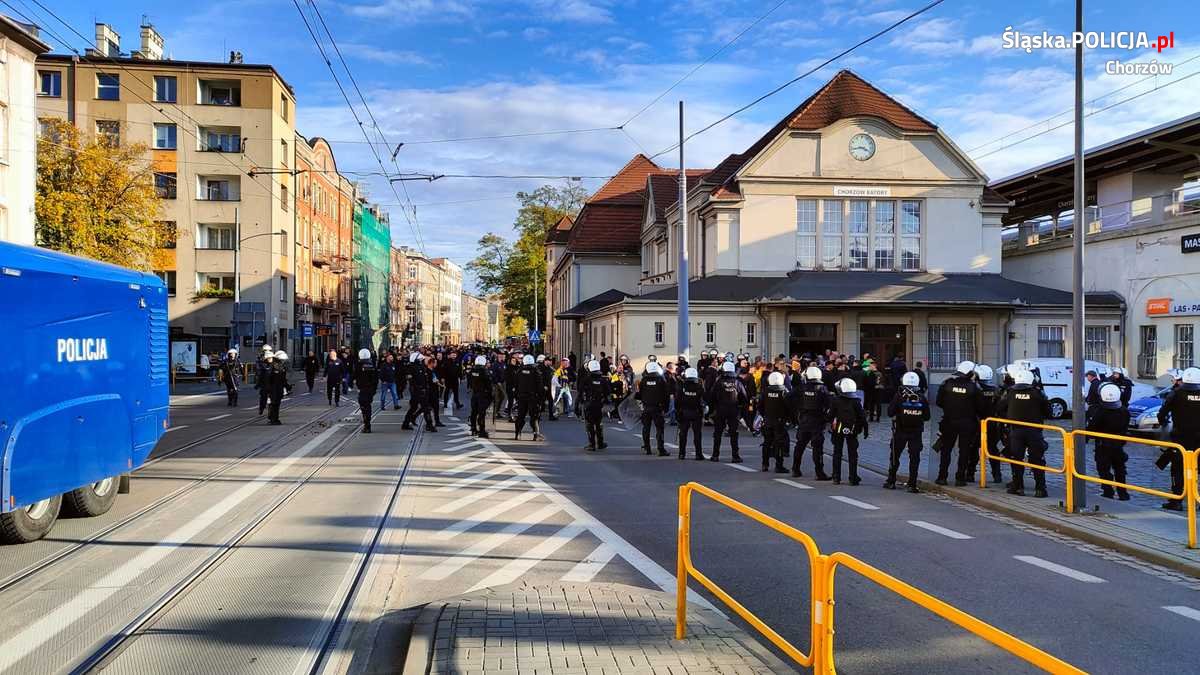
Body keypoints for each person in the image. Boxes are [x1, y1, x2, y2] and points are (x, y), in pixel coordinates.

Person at [1001, 368, 1051, 498]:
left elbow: (1000, 408)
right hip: (1034, 430)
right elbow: (1048, 411)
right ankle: (1040, 489)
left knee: (1017, 459)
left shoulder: (1010, 392)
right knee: (1037, 460)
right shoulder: (1037, 393)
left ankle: (1018, 487)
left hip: (1016, 430)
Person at [1157, 367, 1200, 511]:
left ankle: (1177, 500)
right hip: (1199, 439)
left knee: (1177, 469)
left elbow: (1162, 413)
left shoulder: (1175, 393)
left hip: (1181, 438)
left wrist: (1163, 422)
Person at [935, 360, 982, 487]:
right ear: (970, 373)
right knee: (964, 451)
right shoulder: (974, 387)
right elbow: (980, 407)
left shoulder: (947, 383)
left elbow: (938, 402)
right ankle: (960, 478)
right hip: (967, 422)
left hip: (949, 421)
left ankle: (942, 477)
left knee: (946, 450)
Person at [885, 372, 929, 492]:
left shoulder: (899, 396)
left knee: (895, 456)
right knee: (915, 458)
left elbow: (890, 412)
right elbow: (927, 417)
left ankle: (891, 481)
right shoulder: (921, 397)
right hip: (916, 432)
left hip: (900, 430)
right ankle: (912, 484)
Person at [1087, 382, 1130, 500]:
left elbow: (1092, 426)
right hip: (1118, 444)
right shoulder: (1124, 411)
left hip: (1103, 445)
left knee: (1103, 468)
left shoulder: (1100, 411)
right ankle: (1123, 493)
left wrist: (1085, 437)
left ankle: (1108, 490)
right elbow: (1126, 427)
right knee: (1120, 469)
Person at [792, 366, 831, 480]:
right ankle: (819, 473)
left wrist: (797, 409)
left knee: (800, 445)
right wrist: (827, 418)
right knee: (817, 448)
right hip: (818, 422)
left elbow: (788, 397)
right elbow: (829, 405)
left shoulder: (801, 388)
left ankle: (795, 469)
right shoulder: (822, 388)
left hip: (804, 420)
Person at [707, 361, 747, 463]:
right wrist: (740, 407)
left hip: (721, 409)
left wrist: (713, 409)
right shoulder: (737, 382)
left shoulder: (719, 382)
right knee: (734, 433)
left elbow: (711, 396)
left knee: (718, 433)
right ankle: (735, 456)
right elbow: (744, 396)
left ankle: (715, 455)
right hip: (733, 409)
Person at [830, 378, 867, 485]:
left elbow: (830, 415)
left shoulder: (836, 400)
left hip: (838, 429)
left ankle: (836, 477)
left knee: (837, 452)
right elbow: (862, 416)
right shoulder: (856, 401)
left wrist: (828, 425)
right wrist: (865, 429)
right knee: (853, 454)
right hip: (852, 429)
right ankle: (853, 477)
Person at [972, 365, 1005, 484]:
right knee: (992, 450)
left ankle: (970, 474)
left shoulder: (976, 389)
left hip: (977, 423)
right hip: (993, 423)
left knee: (973, 449)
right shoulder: (996, 389)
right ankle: (997, 475)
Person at [758, 370, 791, 473]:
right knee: (779, 443)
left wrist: (765, 415)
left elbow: (760, 406)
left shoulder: (765, 391)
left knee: (767, 442)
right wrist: (788, 419)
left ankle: (764, 464)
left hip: (768, 420)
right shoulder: (784, 391)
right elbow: (789, 407)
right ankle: (779, 465)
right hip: (780, 421)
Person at [637, 362, 669, 456]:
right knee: (659, 428)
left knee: (646, 428)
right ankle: (661, 449)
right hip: (657, 408)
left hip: (646, 408)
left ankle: (647, 448)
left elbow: (639, 394)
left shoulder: (644, 380)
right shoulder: (661, 380)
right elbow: (666, 395)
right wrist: (665, 408)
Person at [676, 367, 706, 460]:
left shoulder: (682, 386)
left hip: (684, 412)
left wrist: (678, 411)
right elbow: (703, 399)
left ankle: (681, 454)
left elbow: (677, 400)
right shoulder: (699, 387)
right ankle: (698, 454)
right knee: (697, 434)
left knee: (683, 434)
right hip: (696, 413)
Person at [402, 353, 436, 432]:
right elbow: (418, 380)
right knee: (425, 408)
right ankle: (429, 425)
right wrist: (422, 388)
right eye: (421, 359)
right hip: (419, 391)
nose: (423, 360)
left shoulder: (418, 367)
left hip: (418, 391)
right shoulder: (416, 368)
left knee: (414, 408)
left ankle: (406, 423)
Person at [581, 360, 610, 451]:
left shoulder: (586, 379)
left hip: (589, 404)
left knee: (589, 424)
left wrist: (580, 403)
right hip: (599, 405)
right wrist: (605, 400)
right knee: (598, 424)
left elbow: (580, 391)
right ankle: (600, 443)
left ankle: (592, 444)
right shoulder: (603, 379)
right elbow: (608, 392)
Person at [514, 354, 543, 441]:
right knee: (534, 416)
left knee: (520, 416)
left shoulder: (519, 371)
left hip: (521, 397)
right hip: (532, 397)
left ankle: (517, 434)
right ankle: (535, 434)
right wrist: (541, 398)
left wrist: (517, 395)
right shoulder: (536, 371)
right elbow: (540, 386)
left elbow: (516, 384)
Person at [467, 354, 492, 438]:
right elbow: (489, 384)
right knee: (481, 413)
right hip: (483, 395)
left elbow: (469, 381)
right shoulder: (484, 371)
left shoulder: (472, 370)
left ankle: (473, 429)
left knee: (473, 412)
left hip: (474, 394)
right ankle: (482, 430)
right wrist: (490, 394)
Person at [356, 349, 379, 433]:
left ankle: (367, 424)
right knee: (368, 406)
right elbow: (376, 378)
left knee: (363, 406)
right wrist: (374, 389)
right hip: (370, 389)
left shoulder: (359, 365)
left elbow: (356, 375)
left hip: (363, 389)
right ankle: (367, 424)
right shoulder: (372, 365)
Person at [267, 350, 290, 425]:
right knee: (273, 404)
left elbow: (283, 379)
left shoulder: (281, 367)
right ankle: (273, 419)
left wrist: (287, 386)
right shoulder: (272, 366)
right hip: (273, 388)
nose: (283, 362)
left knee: (277, 404)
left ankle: (275, 418)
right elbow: (269, 378)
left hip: (279, 388)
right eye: (281, 360)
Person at [256, 344, 274, 415]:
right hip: (264, 382)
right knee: (263, 397)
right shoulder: (260, 359)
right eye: (265, 350)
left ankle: (271, 412)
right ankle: (261, 408)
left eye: (269, 350)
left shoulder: (274, 360)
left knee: (273, 398)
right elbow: (259, 371)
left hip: (272, 383)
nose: (267, 351)